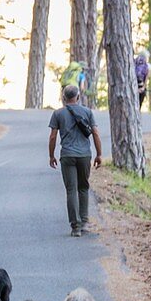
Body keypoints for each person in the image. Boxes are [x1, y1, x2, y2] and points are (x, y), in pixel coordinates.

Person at [48, 84, 102, 238]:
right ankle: (84, 222)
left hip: (67, 156)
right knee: (83, 188)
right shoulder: (87, 112)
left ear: (64, 98)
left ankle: (75, 227)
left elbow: (53, 136)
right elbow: (96, 133)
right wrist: (99, 154)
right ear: (78, 97)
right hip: (85, 155)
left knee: (71, 190)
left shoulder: (58, 114)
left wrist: (51, 155)